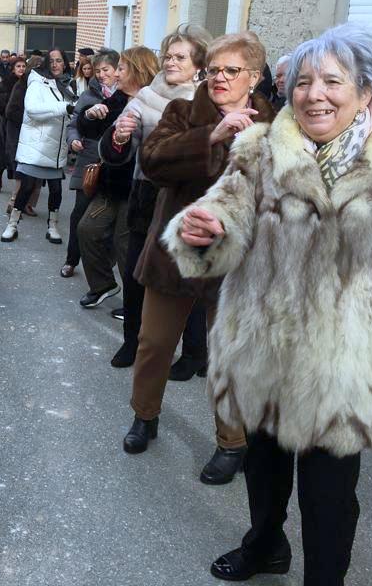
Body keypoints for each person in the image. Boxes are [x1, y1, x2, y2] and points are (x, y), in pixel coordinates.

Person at [162, 25, 372, 584]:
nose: (315, 94)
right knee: (263, 475)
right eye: (304, 81)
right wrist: (200, 232)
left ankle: (324, 578)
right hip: (262, 348)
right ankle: (264, 546)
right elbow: (223, 221)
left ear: (365, 90)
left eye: (333, 81)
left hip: (347, 367)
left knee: (329, 499)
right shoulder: (258, 150)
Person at [121, 31, 275, 487]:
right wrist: (212, 134)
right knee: (153, 344)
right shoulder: (183, 112)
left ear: (255, 76)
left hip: (236, 264)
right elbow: (152, 161)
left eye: (232, 71)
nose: (220, 79)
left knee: (227, 357)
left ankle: (232, 442)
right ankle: (144, 417)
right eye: (213, 70)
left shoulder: (277, 125)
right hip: (178, 254)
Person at [100, 25, 209, 368]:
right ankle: (132, 342)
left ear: (198, 64)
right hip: (147, 197)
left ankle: (193, 354)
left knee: (188, 276)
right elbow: (114, 149)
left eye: (180, 57)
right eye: (168, 56)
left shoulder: (207, 100)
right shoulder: (146, 95)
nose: (171, 62)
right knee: (136, 275)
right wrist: (119, 136)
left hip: (188, 200)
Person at [76, 47, 158, 312]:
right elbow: (92, 130)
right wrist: (89, 114)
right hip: (110, 185)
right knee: (87, 229)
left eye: (121, 68)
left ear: (136, 70)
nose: (115, 74)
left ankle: (134, 304)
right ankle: (102, 285)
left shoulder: (156, 101)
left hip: (137, 188)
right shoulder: (117, 99)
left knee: (126, 246)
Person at [0, 48, 74, 244]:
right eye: (52, 61)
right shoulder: (36, 82)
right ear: (46, 64)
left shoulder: (68, 86)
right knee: (26, 188)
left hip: (57, 149)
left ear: (65, 63)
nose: (56, 64)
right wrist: (64, 108)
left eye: (60, 60)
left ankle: (52, 226)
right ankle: (12, 225)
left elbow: (71, 115)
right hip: (37, 147)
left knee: (56, 190)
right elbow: (32, 109)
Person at [62, 49, 119, 279]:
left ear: (118, 70)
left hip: (115, 166)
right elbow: (74, 124)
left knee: (113, 219)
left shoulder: (127, 96)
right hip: (90, 162)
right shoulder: (89, 95)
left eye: (106, 70)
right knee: (80, 213)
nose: (101, 74)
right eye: (98, 71)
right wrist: (73, 139)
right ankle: (71, 260)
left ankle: (103, 265)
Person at [0, 55, 28, 196]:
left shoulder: (28, 83)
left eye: (23, 66)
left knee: (20, 153)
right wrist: (7, 112)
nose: (21, 69)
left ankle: (20, 185)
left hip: (23, 123)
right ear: (13, 69)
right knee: (3, 151)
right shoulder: (7, 82)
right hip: (8, 123)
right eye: (18, 66)